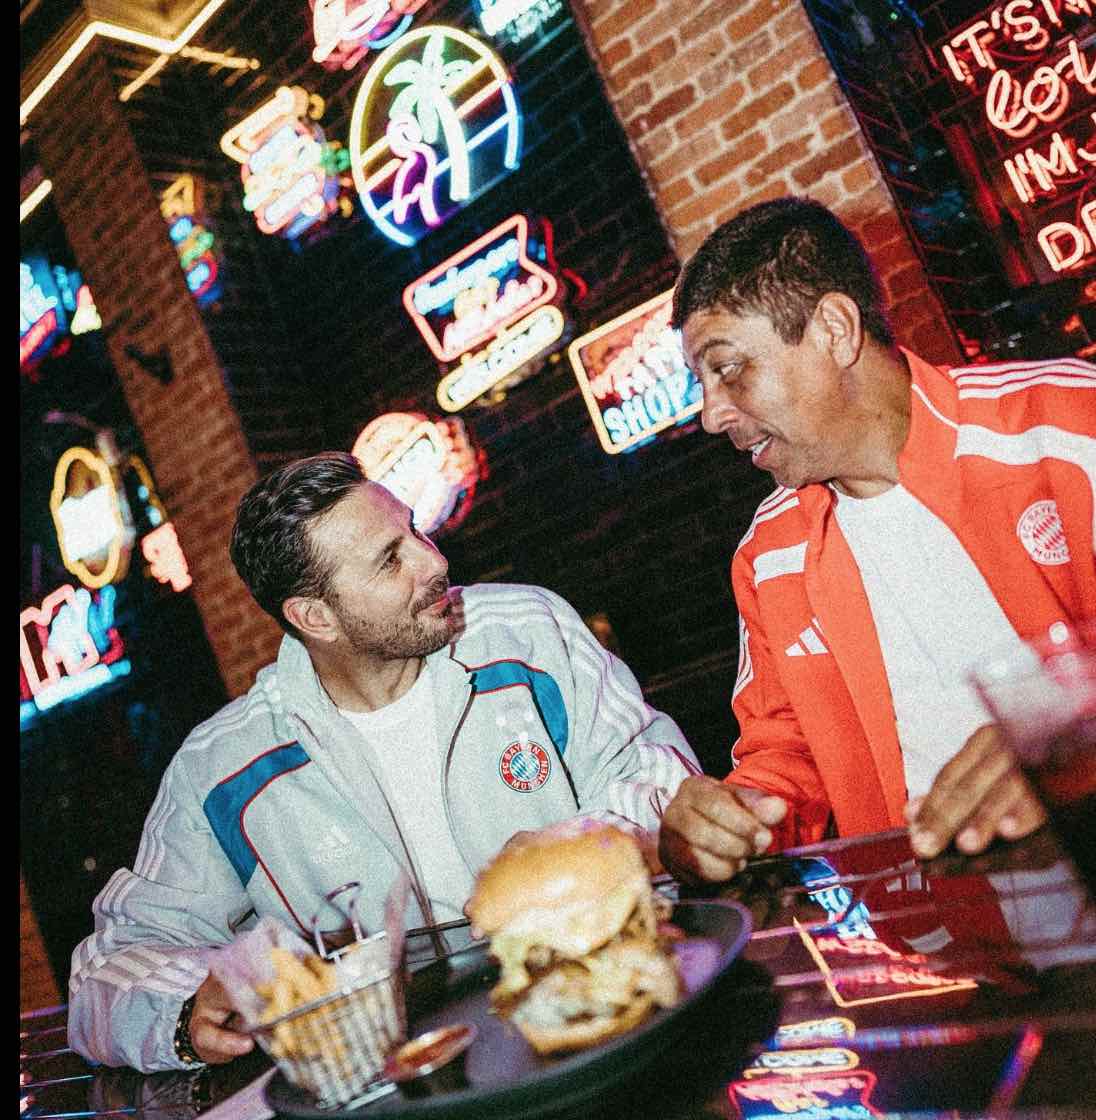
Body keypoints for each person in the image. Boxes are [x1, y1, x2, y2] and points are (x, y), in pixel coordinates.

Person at [68, 453, 699, 1072]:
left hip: (601, 1023)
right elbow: (111, 963)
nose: (435, 561)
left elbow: (655, 768)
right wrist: (182, 1008)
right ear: (315, 617)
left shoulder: (528, 630)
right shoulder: (221, 765)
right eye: (390, 559)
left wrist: (581, 846)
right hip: (398, 1087)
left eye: (414, 530)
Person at [658, 196, 1096, 886]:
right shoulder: (767, 555)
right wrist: (727, 821)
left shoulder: (1066, 422)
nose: (712, 415)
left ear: (834, 330)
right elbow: (784, 756)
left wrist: (1067, 746)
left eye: (729, 367)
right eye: (701, 382)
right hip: (940, 932)